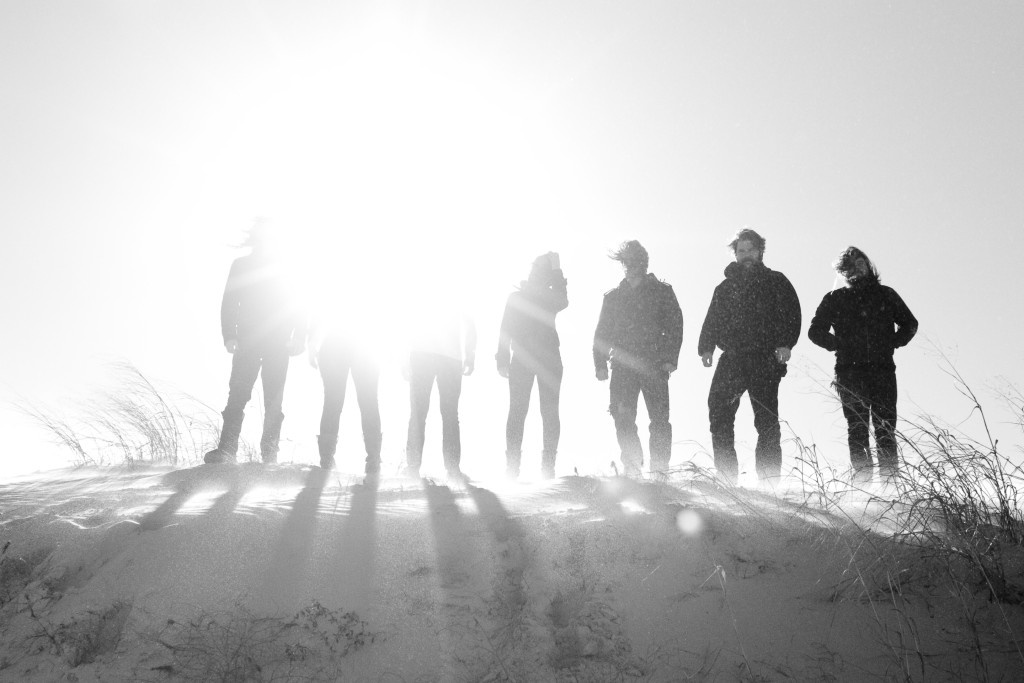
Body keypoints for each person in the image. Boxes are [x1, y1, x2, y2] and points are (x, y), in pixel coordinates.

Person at [698, 228, 801, 484]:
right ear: (735, 254)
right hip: (732, 358)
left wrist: (786, 343)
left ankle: (769, 483)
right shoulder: (724, 287)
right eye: (741, 250)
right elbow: (712, 319)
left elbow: (792, 313)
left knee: (766, 421)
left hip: (764, 358)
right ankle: (727, 479)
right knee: (719, 413)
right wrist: (706, 347)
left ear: (760, 252)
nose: (746, 255)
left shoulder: (776, 281)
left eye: (751, 250)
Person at [808, 246, 918, 482]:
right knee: (857, 429)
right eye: (850, 266)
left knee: (885, 429)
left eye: (861, 263)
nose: (857, 269)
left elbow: (910, 324)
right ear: (843, 272)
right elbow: (815, 332)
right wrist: (838, 345)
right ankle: (862, 486)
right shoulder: (835, 298)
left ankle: (891, 485)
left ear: (868, 266)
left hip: (883, 371)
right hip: (849, 373)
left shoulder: (886, 294)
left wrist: (891, 342)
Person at [205, 220, 306, 464]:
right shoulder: (241, 265)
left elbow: (299, 304)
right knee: (238, 396)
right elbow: (230, 301)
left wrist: (299, 337)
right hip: (247, 341)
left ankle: (269, 455)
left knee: (274, 400)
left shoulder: (287, 266)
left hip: (279, 343)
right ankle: (227, 451)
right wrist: (230, 335)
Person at [593, 240, 683, 479]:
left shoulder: (662, 292)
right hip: (622, 366)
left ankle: (660, 472)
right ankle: (633, 467)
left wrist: (670, 358)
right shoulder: (613, 297)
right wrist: (600, 364)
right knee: (622, 416)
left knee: (659, 420)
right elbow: (601, 333)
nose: (631, 266)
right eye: (627, 262)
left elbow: (675, 325)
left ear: (644, 263)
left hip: (654, 364)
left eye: (636, 261)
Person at [496, 252, 568, 479]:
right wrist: (502, 358)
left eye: (540, 269)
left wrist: (557, 270)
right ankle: (512, 468)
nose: (535, 272)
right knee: (518, 411)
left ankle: (548, 469)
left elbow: (562, 301)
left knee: (549, 412)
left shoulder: (550, 296)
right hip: (523, 358)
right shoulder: (516, 297)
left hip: (549, 358)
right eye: (534, 267)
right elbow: (505, 327)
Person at [403, 267, 477, 482]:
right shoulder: (456, 293)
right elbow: (470, 324)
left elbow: (406, 322)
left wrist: (404, 357)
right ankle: (451, 469)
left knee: (420, 412)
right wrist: (469, 354)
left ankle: (413, 468)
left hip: (425, 356)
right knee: (449, 414)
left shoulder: (421, 292)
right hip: (447, 358)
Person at [308, 293, 383, 483]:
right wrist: (312, 343)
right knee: (352, 402)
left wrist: (312, 343)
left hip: (359, 345)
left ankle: (369, 461)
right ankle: (368, 461)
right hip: (353, 346)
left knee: (349, 402)